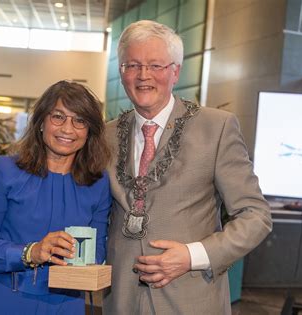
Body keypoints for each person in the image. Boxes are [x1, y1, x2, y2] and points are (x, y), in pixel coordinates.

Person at [103, 20, 272, 314]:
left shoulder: (216, 128)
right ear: (121, 72)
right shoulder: (105, 135)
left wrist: (192, 255)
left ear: (175, 72)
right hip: (121, 299)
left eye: (156, 65)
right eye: (132, 65)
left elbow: (256, 216)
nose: (144, 76)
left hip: (191, 299)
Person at [0, 80, 112, 314]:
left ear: (89, 131)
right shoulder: (4, 171)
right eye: (58, 117)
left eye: (80, 121)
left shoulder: (99, 182)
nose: (67, 129)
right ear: (41, 121)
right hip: (8, 300)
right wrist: (31, 252)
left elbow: (98, 250)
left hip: (69, 304)